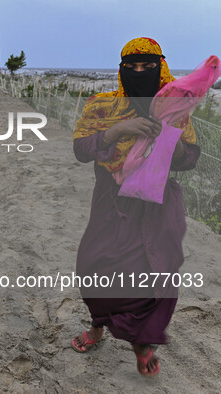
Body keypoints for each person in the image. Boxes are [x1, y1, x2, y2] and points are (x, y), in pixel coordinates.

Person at [71, 37, 200, 376]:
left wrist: (168, 143)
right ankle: (98, 326)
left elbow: (190, 158)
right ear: (120, 70)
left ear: (161, 68)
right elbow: (81, 149)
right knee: (93, 265)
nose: (139, 73)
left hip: (155, 205)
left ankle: (142, 345)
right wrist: (118, 130)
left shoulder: (174, 108)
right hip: (110, 202)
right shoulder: (102, 104)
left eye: (147, 67)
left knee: (151, 273)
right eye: (132, 67)